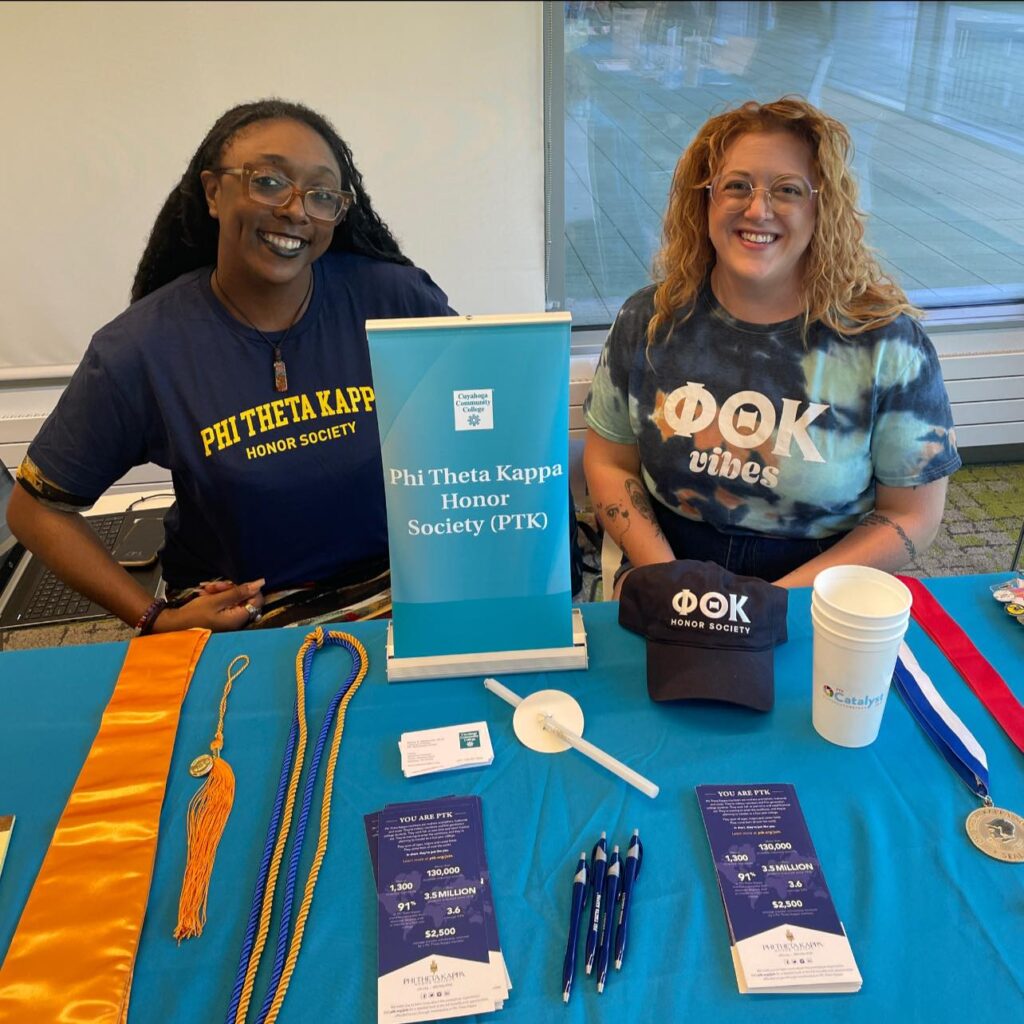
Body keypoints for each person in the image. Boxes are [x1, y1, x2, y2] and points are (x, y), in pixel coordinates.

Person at [7, 98, 453, 634]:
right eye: (268, 181)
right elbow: (34, 511)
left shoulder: (392, 298)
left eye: (321, 194)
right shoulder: (141, 348)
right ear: (214, 192)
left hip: (404, 588)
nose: (295, 210)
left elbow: (476, 425)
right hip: (248, 618)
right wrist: (154, 617)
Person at [583, 97, 960, 596]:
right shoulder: (649, 319)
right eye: (736, 185)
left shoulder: (886, 346)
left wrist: (777, 601)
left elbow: (912, 515)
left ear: (822, 208)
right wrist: (669, 579)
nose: (758, 209)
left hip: (817, 587)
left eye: (788, 189)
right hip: (669, 570)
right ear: (706, 199)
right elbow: (610, 462)